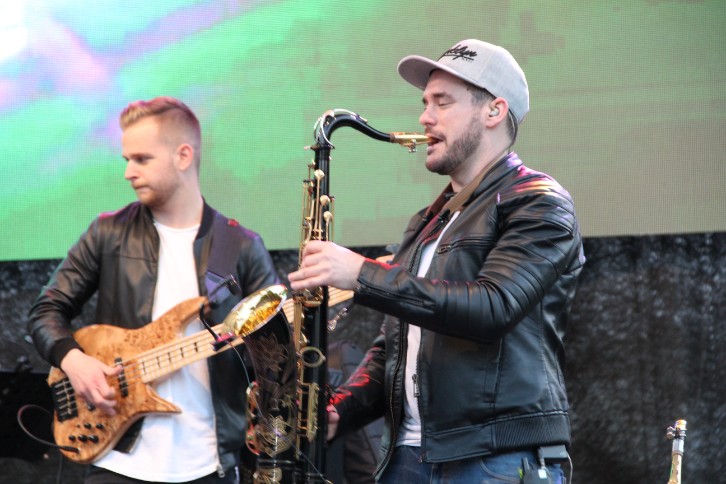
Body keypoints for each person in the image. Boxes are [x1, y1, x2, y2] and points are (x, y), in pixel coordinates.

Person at [288, 39, 585, 483]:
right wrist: (341, 411)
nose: (425, 118)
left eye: (442, 102)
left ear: (494, 111)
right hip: (408, 458)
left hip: (495, 460)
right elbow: (396, 345)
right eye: (425, 103)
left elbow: (492, 307)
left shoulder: (540, 202)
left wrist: (360, 274)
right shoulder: (427, 220)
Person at [28, 96, 280, 483]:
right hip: (116, 458)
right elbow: (46, 311)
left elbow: (278, 355)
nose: (128, 172)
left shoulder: (241, 246)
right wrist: (74, 362)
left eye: (142, 159)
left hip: (209, 464)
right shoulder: (108, 233)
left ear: (183, 156)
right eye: (126, 159)